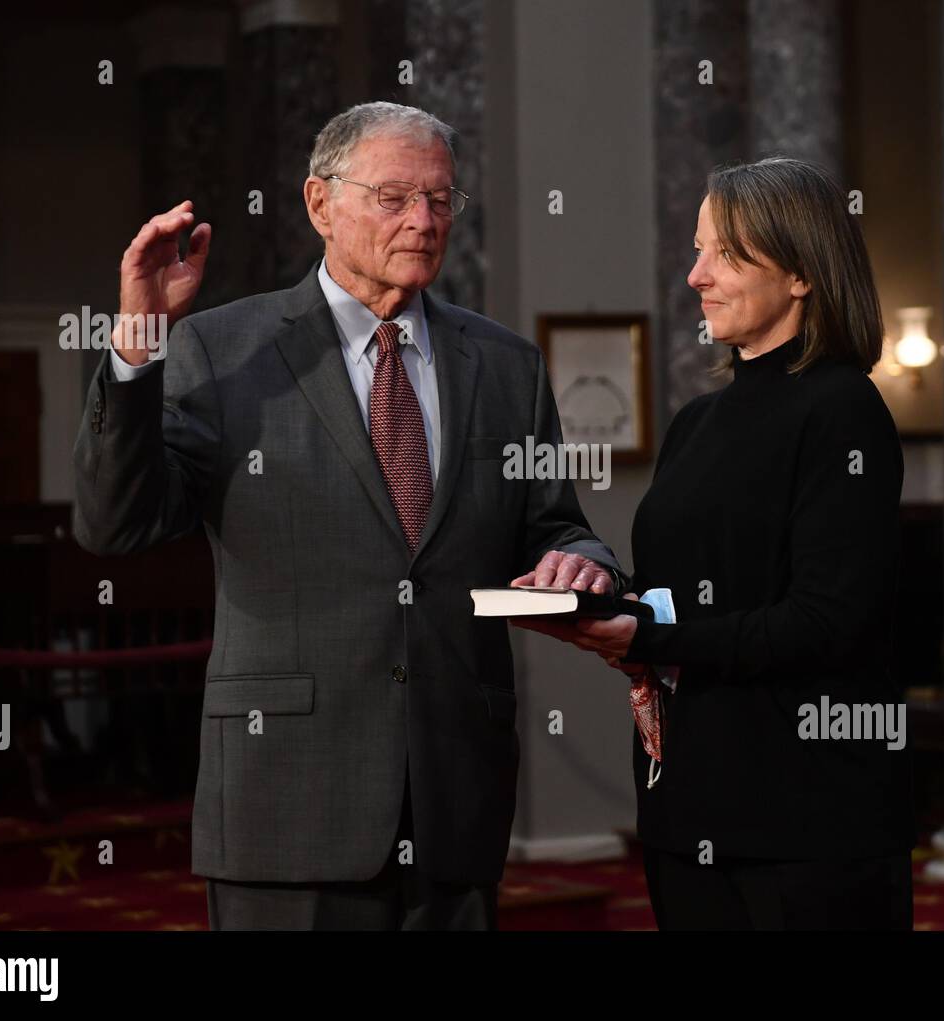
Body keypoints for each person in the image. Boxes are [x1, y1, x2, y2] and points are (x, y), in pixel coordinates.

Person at [72, 101, 626, 931]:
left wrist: (584, 560)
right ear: (320, 203)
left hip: (454, 804)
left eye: (441, 200)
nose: (423, 220)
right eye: (395, 197)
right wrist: (141, 335)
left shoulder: (506, 364)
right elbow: (114, 525)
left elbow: (553, 524)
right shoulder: (226, 349)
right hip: (286, 799)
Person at [515, 157, 914, 930]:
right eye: (697, 250)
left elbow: (827, 622)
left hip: (808, 817)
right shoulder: (698, 421)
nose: (696, 275)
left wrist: (652, 634)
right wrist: (597, 595)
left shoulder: (844, 409)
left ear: (801, 272)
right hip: (687, 803)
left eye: (725, 253)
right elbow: (689, 595)